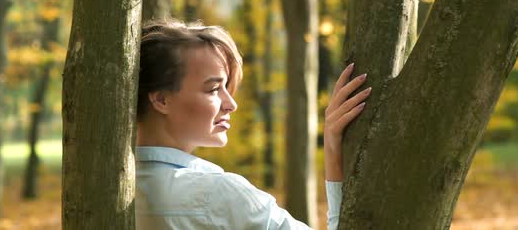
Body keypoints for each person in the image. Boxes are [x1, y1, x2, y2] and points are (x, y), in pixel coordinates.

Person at [135, 19, 371, 229]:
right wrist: (332, 148)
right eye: (214, 89)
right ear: (161, 99)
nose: (231, 104)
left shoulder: (104, 189)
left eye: (227, 87)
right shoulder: (218, 196)